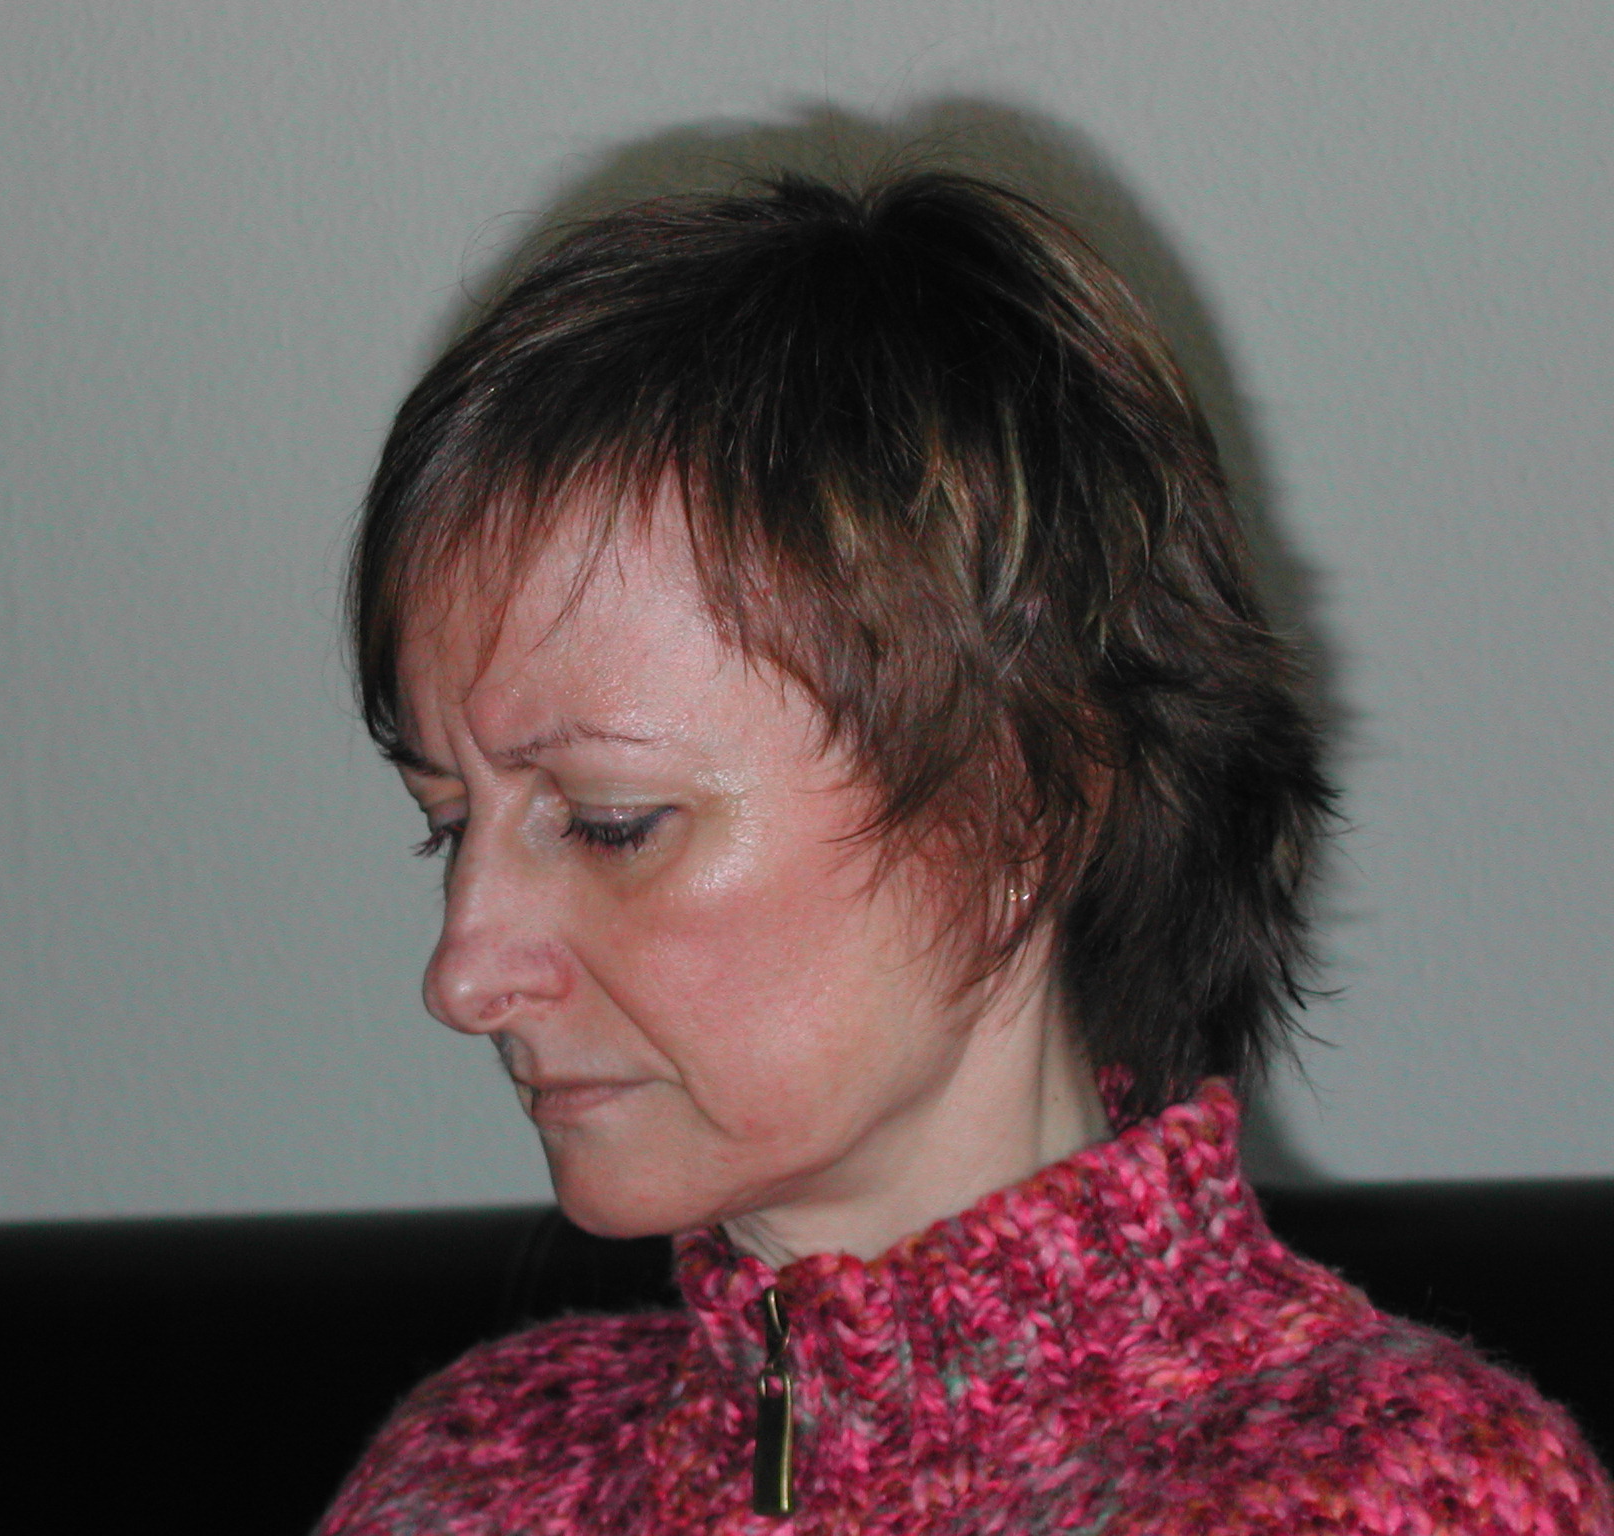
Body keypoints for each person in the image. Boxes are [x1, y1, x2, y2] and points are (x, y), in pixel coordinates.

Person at [319, 169, 1612, 1534]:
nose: (464, 976)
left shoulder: (1378, 1501)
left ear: (1018, 814)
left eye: (611, 823)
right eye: (447, 824)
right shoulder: (471, 1471)